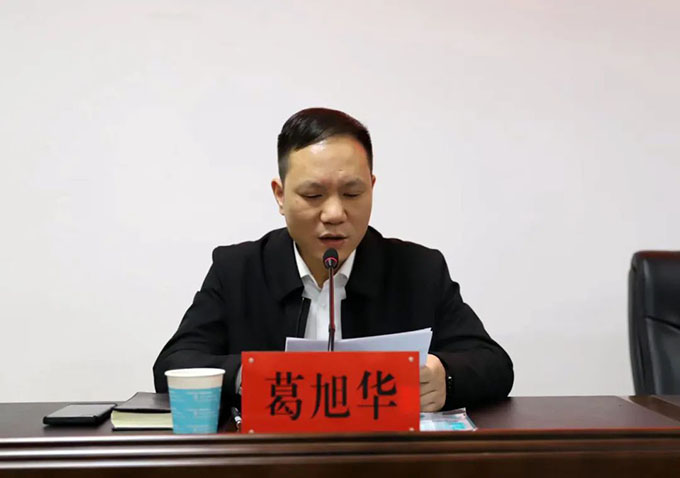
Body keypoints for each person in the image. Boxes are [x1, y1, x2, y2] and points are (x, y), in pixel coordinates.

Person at [153, 107, 513, 412]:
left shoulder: (418, 270)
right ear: (280, 196)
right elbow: (173, 364)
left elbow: (493, 364)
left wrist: (444, 377)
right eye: (313, 195)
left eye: (352, 193)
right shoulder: (238, 270)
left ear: (372, 187)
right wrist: (252, 376)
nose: (335, 214)